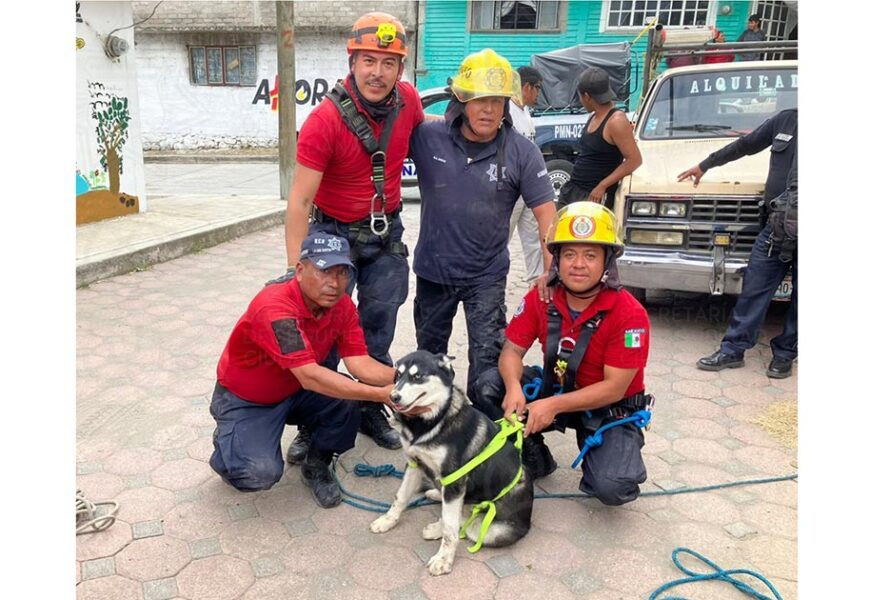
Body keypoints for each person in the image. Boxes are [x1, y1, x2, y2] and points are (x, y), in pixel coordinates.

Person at [279, 12, 424, 454]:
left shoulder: (410, 103)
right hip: (332, 236)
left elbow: (430, 135)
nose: (377, 73)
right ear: (352, 61)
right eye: (368, 61)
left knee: (377, 327)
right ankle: (315, 419)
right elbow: (300, 202)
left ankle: (367, 410)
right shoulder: (324, 122)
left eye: (388, 62)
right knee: (322, 329)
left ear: (401, 67)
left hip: (385, 235)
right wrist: (294, 270)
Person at [473, 202, 652, 505]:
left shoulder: (629, 314)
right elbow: (511, 352)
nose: (578, 264)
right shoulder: (541, 296)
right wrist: (515, 388)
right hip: (557, 384)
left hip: (608, 406)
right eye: (569, 254)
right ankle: (534, 456)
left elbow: (615, 387)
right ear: (556, 258)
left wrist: (552, 406)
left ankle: (604, 452)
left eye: (590, 255)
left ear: (608, 261)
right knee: (488, 386)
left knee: (613, 487)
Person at [409, 49, 557, 402]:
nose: (488, 109)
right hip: (433, 273)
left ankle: (483, 437)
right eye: (479, 100)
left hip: (486, 279)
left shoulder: (522, 151)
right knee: (429, 365)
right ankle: (434, 432)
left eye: (497, 100)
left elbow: (547, 218)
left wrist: (553, 274)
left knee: (487, 374)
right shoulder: (428, 138)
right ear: (461, 100)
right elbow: (386, 130)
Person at [209, 233, 398, 508]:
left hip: (294, 389)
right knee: (257, 474)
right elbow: (310, 376)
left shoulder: (342, 305)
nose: (334, 283)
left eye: (342, 272)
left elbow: (359, 362)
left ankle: (316, 465)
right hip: (247, 400)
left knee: (346, 401)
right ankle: (229, 445)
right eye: (324, 271)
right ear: (300, 270)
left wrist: (405, 380)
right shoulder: (275, 307)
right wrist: (380, 395)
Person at [677, 108, 797, 378]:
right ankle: (733, 350)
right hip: (776, 227)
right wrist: (705, 164)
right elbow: (746, 145)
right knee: (754, 288)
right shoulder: (786, 119)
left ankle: (786, 354)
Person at [559, 67, 642, 210]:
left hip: (593, 196)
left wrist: (602, 185)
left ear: (586, 96)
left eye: (580, 96)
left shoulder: (616, 120)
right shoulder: (594, 116)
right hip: (574, 190)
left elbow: (634, 160)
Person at [508, 65, 546, 283]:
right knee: (503, 237)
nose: (538, 94)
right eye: (537, 88)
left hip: (528, 189)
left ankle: (537, 282)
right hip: (512, 188)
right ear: (526, 86)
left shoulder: (525, 112)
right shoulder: (507, 111)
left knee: (533, 238)